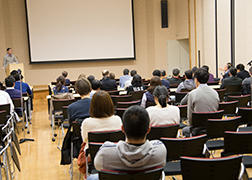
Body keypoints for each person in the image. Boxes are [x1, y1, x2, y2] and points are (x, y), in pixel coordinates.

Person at [90, 105, 166, 180]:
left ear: (122, 129)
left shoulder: (105, 153)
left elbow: (98, 166)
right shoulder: (160, 150)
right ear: (148, 130)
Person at [182, 68, 220, 137]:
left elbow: (190, 119)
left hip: (197, 130)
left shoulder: (192, 94)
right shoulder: (215, 93)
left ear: (196, 79)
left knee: (184, 130)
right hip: (213, 128)